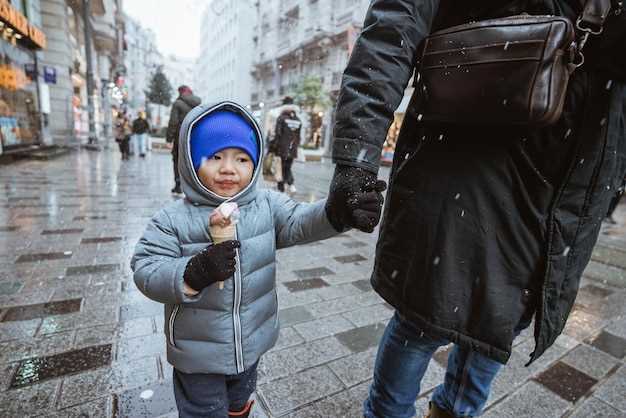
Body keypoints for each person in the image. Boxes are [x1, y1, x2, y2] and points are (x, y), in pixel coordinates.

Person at [325, 1, 626, 417]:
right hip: (471, 143)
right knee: (425, 313)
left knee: (512, 312)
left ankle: (453, 411)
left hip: (576, 167)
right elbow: (399, 19)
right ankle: (387, 412)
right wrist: (356, 153)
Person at [131, 101, 380, 418]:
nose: (228, 168)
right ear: (191, 161)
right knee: (203, 411)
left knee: (239, 402)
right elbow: (145, 267)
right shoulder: (172, 219)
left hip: (252, 341)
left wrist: (336, 213)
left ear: (256, 161)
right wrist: (190, 274)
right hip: (198, 352)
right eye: (215, 157)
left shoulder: (266, 205)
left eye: (242, 158)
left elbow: (299, 222)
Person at [167, 85, 201, 194]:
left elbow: (173, 121)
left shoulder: (178, 103)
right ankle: (193, 186)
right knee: (191, 159)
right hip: (194, 134)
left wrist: (169, 138)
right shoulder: (197, 104)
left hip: (180, 134)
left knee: (177, 159)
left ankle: (178, 184)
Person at [270, 96, 302, 193]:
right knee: (287, 167)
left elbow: (278, 134)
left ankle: (281, 188)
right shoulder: (298, 120)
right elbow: (298, 136)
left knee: (280, 168)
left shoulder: (281, 118)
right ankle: (291, 185)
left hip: (282, 149)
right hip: (293, 149)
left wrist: (273, 147)